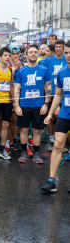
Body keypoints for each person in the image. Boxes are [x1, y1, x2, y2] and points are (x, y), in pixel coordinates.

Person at [41, 40, 70, 193]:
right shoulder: (62, 72)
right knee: (58, 146)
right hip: (65, 114)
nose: (68, 56)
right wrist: (51, 113)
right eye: (66, 53)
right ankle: (52, 180)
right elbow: (58, 95)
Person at [14, 45, 52, 164]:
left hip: (39, 105)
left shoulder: (44, 70)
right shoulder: (21, 71)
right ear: (26, 55)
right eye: (31, 52)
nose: (33, 54)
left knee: (37, 130)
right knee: (24, 129)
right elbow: (16, 89)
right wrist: (17, 105)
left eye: (35, 52)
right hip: (24, 105)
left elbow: (48, 87)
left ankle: (36, 153)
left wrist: (46, 104)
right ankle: (24, 152)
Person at [41, 40, 66, 151]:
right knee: (50, 117)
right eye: (56, 47)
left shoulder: (67, 59)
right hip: (51, 93)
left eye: (60, 47)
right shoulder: (48, 60)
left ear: (64, 48)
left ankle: (62, 142)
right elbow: (36, 65)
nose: (57, 49)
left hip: (65, 94)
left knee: (61, 118)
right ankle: (52, 140)